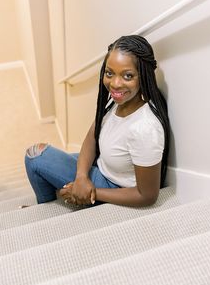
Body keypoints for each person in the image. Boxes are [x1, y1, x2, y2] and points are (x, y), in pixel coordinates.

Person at [25, 35, 170, 208]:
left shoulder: (145, 128)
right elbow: (91, 139)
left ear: (144, 76)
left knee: (35, 157)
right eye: (110, 73)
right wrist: (81, 177)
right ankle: (48, 207)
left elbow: (147, 196)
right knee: (38, 154)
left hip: (114, 187)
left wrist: (90, 191)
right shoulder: (117, 102)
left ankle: (48, 211)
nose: (115, 84)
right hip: (101, 167)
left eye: (128, 76)